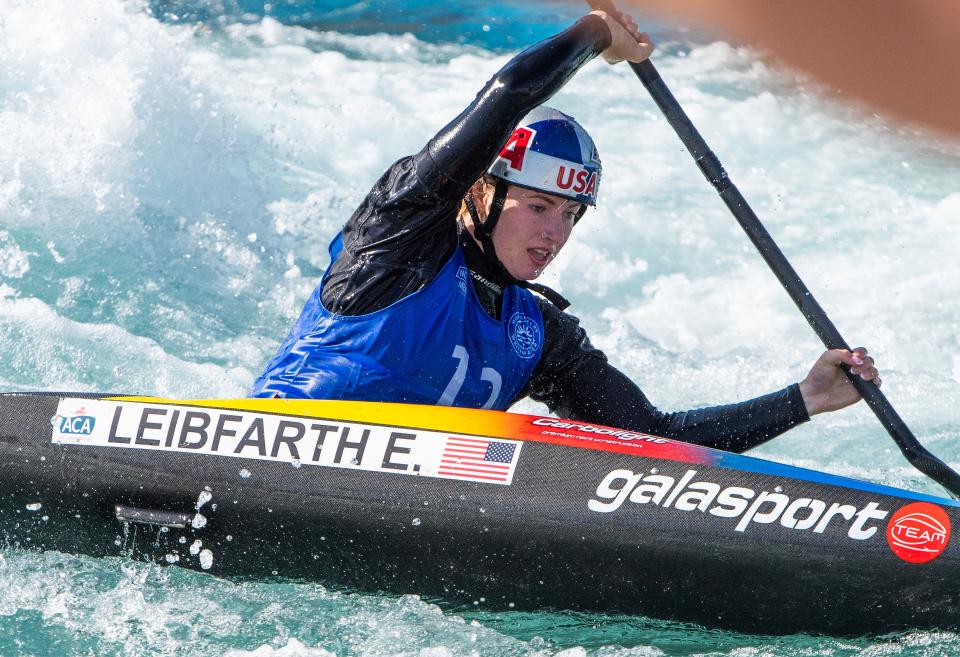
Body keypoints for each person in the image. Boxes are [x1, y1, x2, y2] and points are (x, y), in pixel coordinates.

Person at [252, 10, 880, 454]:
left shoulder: (537, 334)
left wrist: (804, 398)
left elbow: (650, 439)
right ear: (480, 191)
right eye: (539, 206)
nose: (556, 233)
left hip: (409, 503)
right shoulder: (398, 239)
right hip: (279, 453)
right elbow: (505, 95)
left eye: (572, 216)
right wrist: (596, 33)